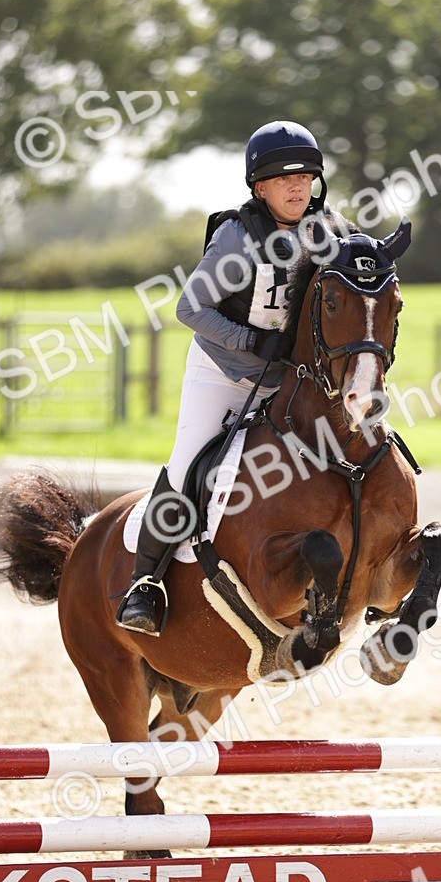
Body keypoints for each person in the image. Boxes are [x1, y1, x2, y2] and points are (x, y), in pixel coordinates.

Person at [117, 120, 340, 634]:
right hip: (222, 373)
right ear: (259, 187)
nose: (296, 187)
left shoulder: (328, 229)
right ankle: (144, 584)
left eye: (305, 176)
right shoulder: (238, 238)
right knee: (189, 465)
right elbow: (189, 307)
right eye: (283, 179)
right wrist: (250, 341)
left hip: (286, 382)